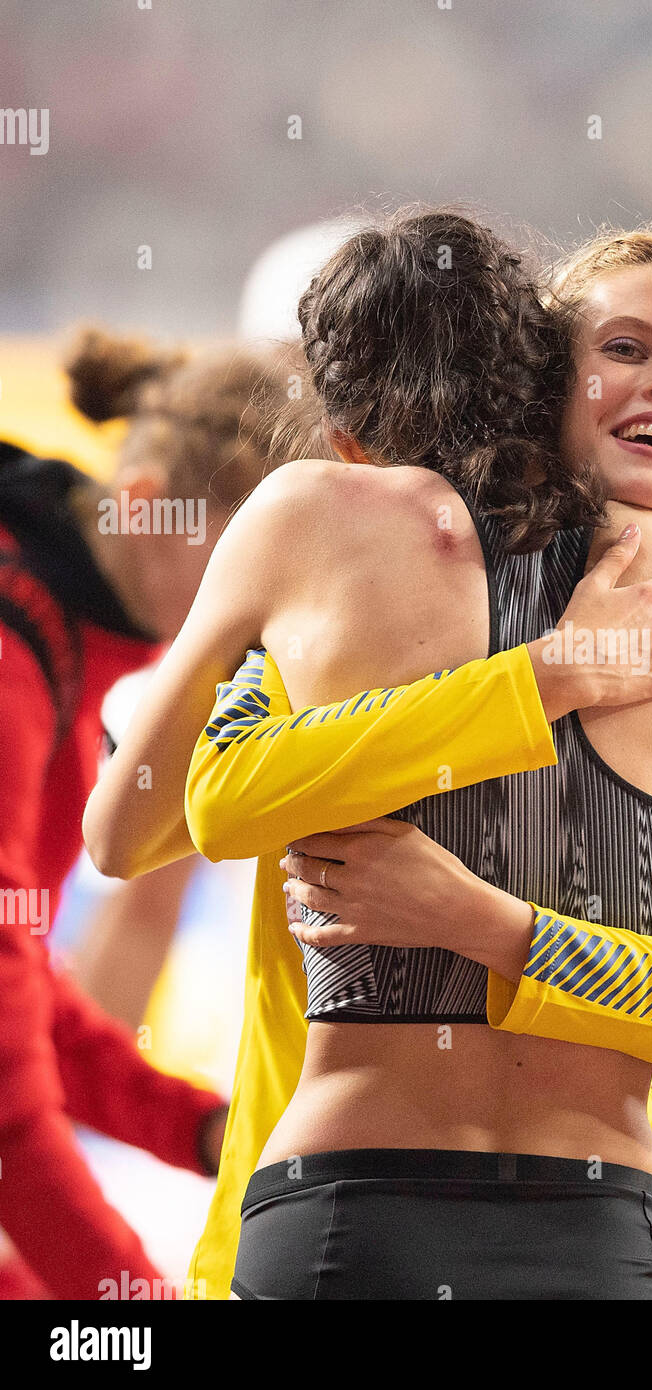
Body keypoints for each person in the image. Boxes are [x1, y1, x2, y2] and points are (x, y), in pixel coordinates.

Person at [87, 213, 652, 1299]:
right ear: (545, 384)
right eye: (625, 350)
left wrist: (487, 924)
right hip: (464, 1213)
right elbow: (197, 807)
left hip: (398, 1211)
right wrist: (547, 679)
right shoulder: (350, 581)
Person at [0, 326, 294, 1298]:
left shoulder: (65, 639)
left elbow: (23, 993)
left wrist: (203, 1129)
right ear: (140, 508)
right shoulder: (15, 659)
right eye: (239, 571)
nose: (267, 615)